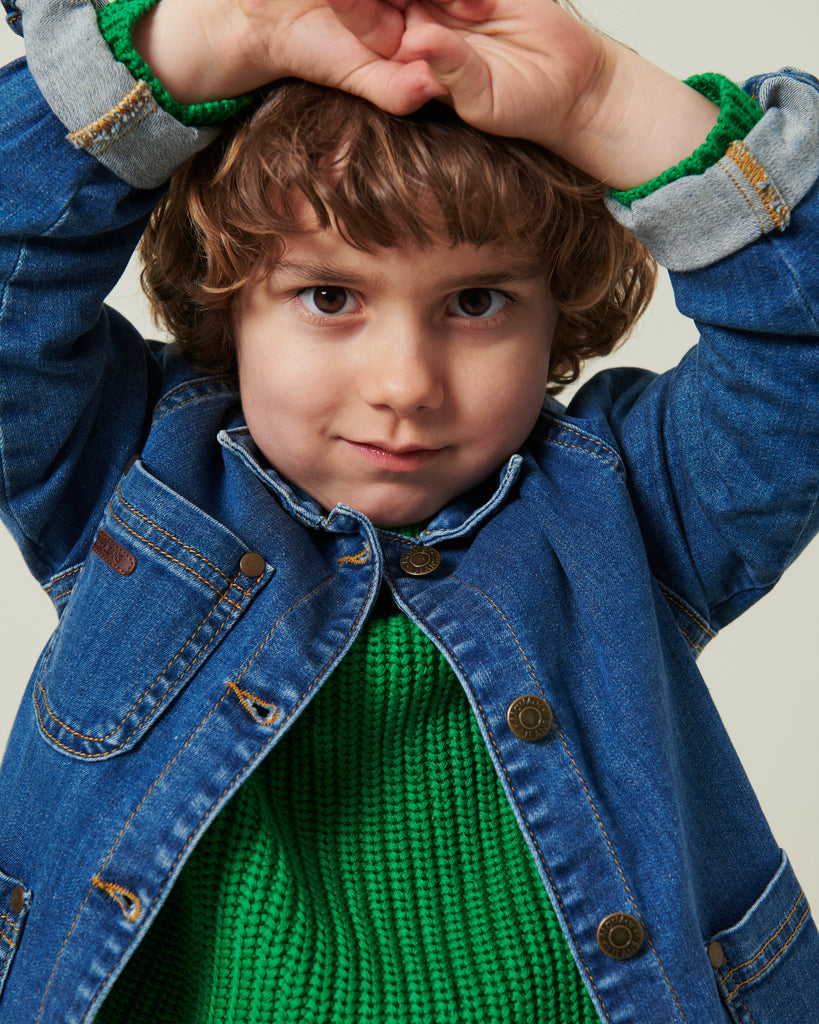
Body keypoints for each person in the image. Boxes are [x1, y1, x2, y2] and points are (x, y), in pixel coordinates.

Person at [0, 0, 817, 1019]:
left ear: (556, 307)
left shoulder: (636, 507)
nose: (406, 386)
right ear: (228, 295)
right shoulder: (131, 477)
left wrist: (600, 100)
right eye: (329, 297)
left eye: (475, 303)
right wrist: (206, 41)